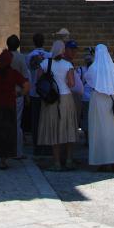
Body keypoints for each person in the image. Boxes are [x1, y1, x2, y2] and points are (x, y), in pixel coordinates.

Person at [84, 43, 114, 171]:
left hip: (98, 101)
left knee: (99, 131)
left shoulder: (93, 68)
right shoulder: (112, 68)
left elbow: (88, 80)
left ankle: (103, 161)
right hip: (112, 100)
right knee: (113, 131)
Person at [36, 39, 79, 171]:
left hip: (51, 99)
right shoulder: (68, 65)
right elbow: (72, 84)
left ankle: (56, 162)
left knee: (54, 130)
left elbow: (38, 82)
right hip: (65, 98)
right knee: (68, 128)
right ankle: (69, 160)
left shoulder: (44, 63)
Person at [6, 34, 29, 159]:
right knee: (16, 122)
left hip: (4, 93)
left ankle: (6, 149)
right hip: (17, 93)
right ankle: (17, 152)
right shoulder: (21, 58)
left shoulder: (3, 57)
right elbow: (25, 76)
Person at [27, 33, 48, 155]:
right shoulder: (49, 55)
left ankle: (36, 145)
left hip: (34, 92)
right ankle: (45, 144)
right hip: (46, 93)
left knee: (35, 121)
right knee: (46, 120)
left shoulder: (29, 56)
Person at [63, 40, 83, 133]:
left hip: (75, 96)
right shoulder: (64, 63)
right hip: (69, 96)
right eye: (71, 50)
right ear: (65, 50)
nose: (74, 52)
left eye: (75, 50)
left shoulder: (70, 62)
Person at [77, 47, 94, 140]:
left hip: (84, 97)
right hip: (94, 97)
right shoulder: (96, 70)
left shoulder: (81, 69)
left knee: (85, 117)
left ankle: (87, 137)